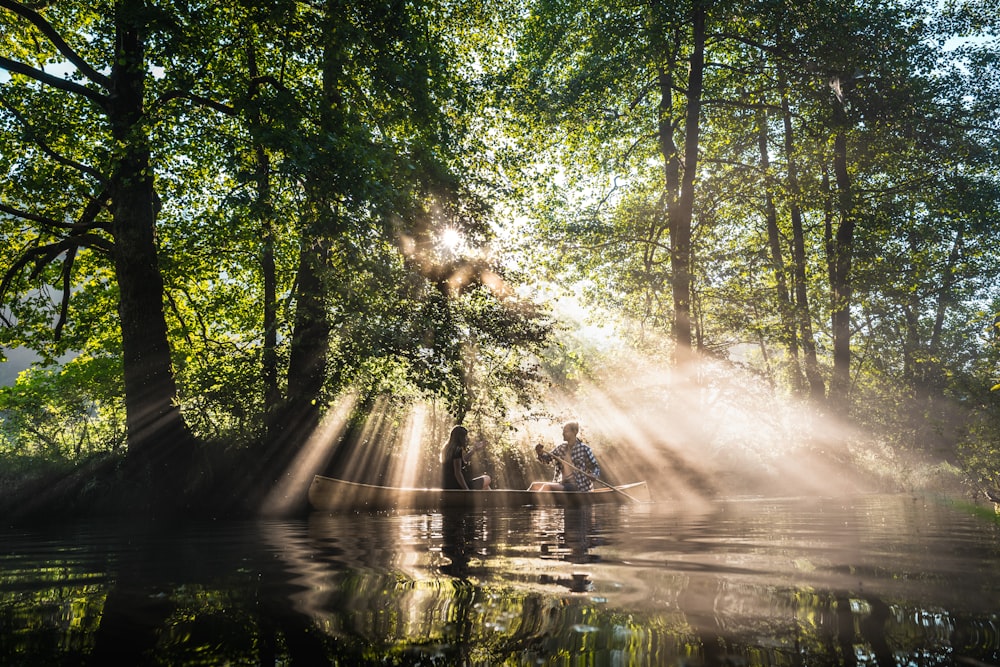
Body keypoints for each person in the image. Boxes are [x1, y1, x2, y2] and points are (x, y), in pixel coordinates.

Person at [529, 421, 600, 491]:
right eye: (563, 431)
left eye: (566, 431)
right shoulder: (561, 448)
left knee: (547, 487)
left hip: (578, 486)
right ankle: (526, 501)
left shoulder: (584, 449)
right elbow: (546, 460)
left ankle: (536, 502)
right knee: (534, 485)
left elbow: (595, 466)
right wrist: (539, 453)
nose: (563, 434)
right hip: (563, 483)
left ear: (575, 432)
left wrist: (594, 475)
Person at [441, 425, 492, 490]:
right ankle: (494, 500)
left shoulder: (447, 449)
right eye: (465, 436)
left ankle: (492, 500)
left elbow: (462, 460)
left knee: (486, 487)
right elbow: (458, 473)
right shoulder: (457, 450)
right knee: (487, 478)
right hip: (457, 486)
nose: (466, 439)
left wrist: (474, 449)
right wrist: (467, 491)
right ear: (460, 438)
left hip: (448, 485)